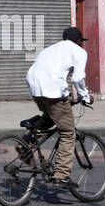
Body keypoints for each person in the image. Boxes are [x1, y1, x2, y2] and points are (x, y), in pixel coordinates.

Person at [25, 26, 93, 187]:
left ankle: (26, 143)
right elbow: (77, 78)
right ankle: (61, 175)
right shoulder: (79, 51)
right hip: (52, 91)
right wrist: (86, 96)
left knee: (51, 115)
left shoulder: (49, 49)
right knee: (68, 132)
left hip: (36, 90)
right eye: (80, 42)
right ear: (78, 41)